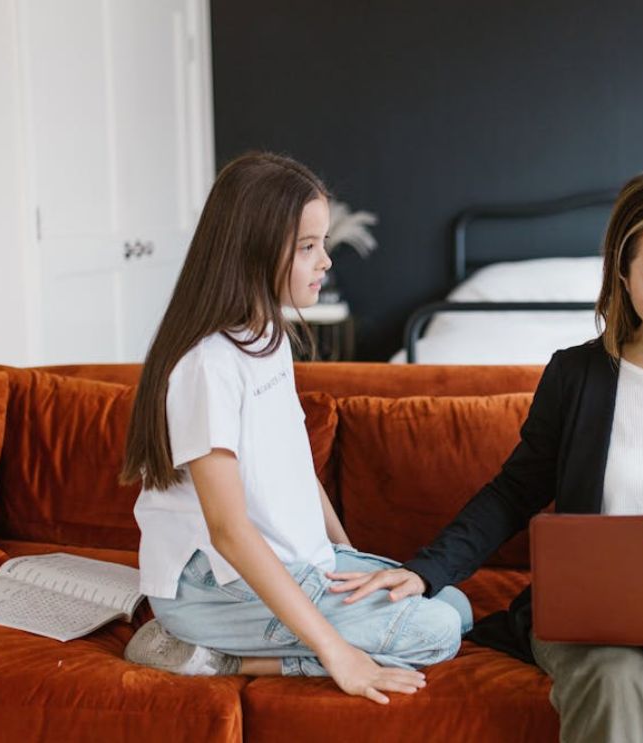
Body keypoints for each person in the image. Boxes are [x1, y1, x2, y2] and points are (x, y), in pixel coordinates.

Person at [328, 168, 643, 739]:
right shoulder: (578, 375)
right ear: (624, 280)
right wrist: (427, 571)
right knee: (610, 676)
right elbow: (515, 491)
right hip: (590, 618)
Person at [119, 151, 471, 705]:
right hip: (211, 589)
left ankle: (273, 634)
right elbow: (230, 531)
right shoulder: (208, 366)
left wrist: (346, 559)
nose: (326, 261)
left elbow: (295, 468)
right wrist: (338, 654)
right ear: (252, 253)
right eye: (308, 248)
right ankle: (216, 656)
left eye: (322, 243)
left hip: (292, 560)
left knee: (456, 605)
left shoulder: (268, 339)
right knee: (438, 630)